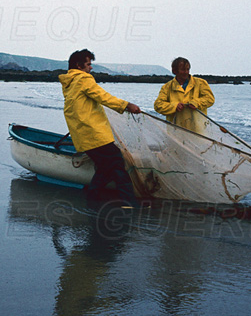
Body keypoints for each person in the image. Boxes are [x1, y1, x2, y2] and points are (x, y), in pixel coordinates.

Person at [59, 49, 142, 207]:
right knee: (117, 162)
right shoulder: (83, 79)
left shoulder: (69, 83)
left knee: (105, 168)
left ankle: (92, 198)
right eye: (89, 64)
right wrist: (126, 105)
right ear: (78, 65)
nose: (91, 68)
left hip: (82, 134)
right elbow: (103, 97)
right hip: (94, 133)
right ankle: (130, 203)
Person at [154, 57, 215, 123]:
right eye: (183, 70)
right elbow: (158, 105)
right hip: (175, 129)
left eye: (187, 69)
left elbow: (210, 99)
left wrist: (197, 103)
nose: (186, 72)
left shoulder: (201, 83)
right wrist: (174, 106)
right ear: (174, 71)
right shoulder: (167, 87)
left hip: (198, 129)